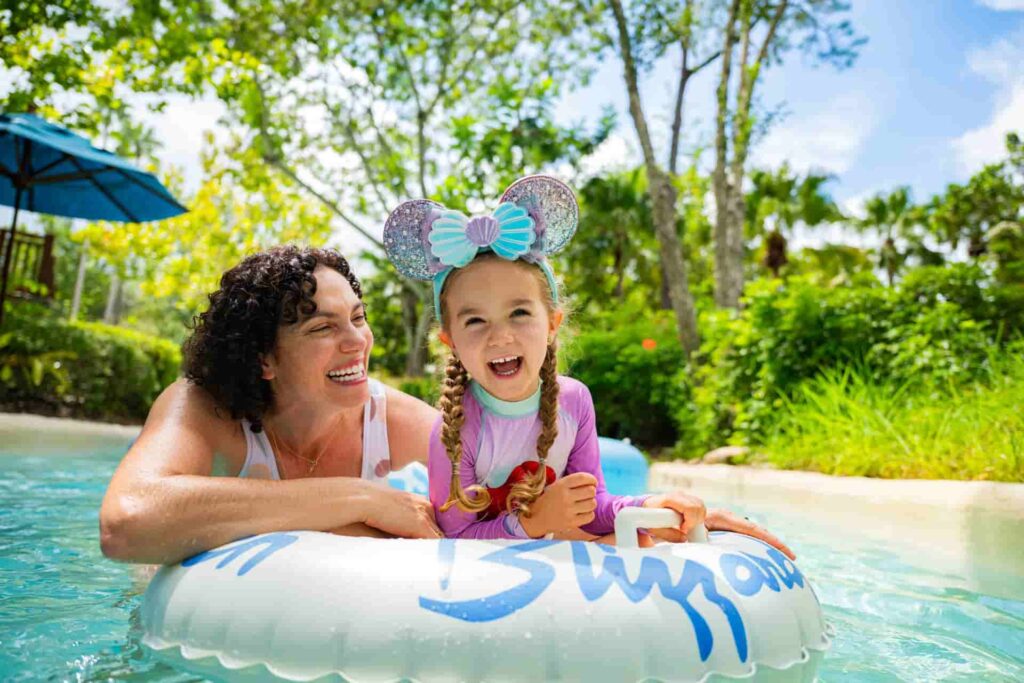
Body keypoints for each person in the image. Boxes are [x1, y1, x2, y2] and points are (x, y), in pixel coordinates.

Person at [383, 176, 794, 556]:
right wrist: (534, 521)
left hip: (555, 550)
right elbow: (453, 539)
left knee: (644, 539)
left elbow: (592, 504)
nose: (500, 336)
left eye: (520, 313)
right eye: (475, 320)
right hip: (495, 570)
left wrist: (650, 504)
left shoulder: (574, 400)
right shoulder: (455, 430)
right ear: (449, 341)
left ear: (552, 324)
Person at [99, 246, 442, 565]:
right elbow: (125, 523)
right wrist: (360, 500)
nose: (357, 341)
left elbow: (492, 473)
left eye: (358, 317)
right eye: (322, 327)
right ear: (263, 359)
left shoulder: (387, 419)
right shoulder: (206, 407)